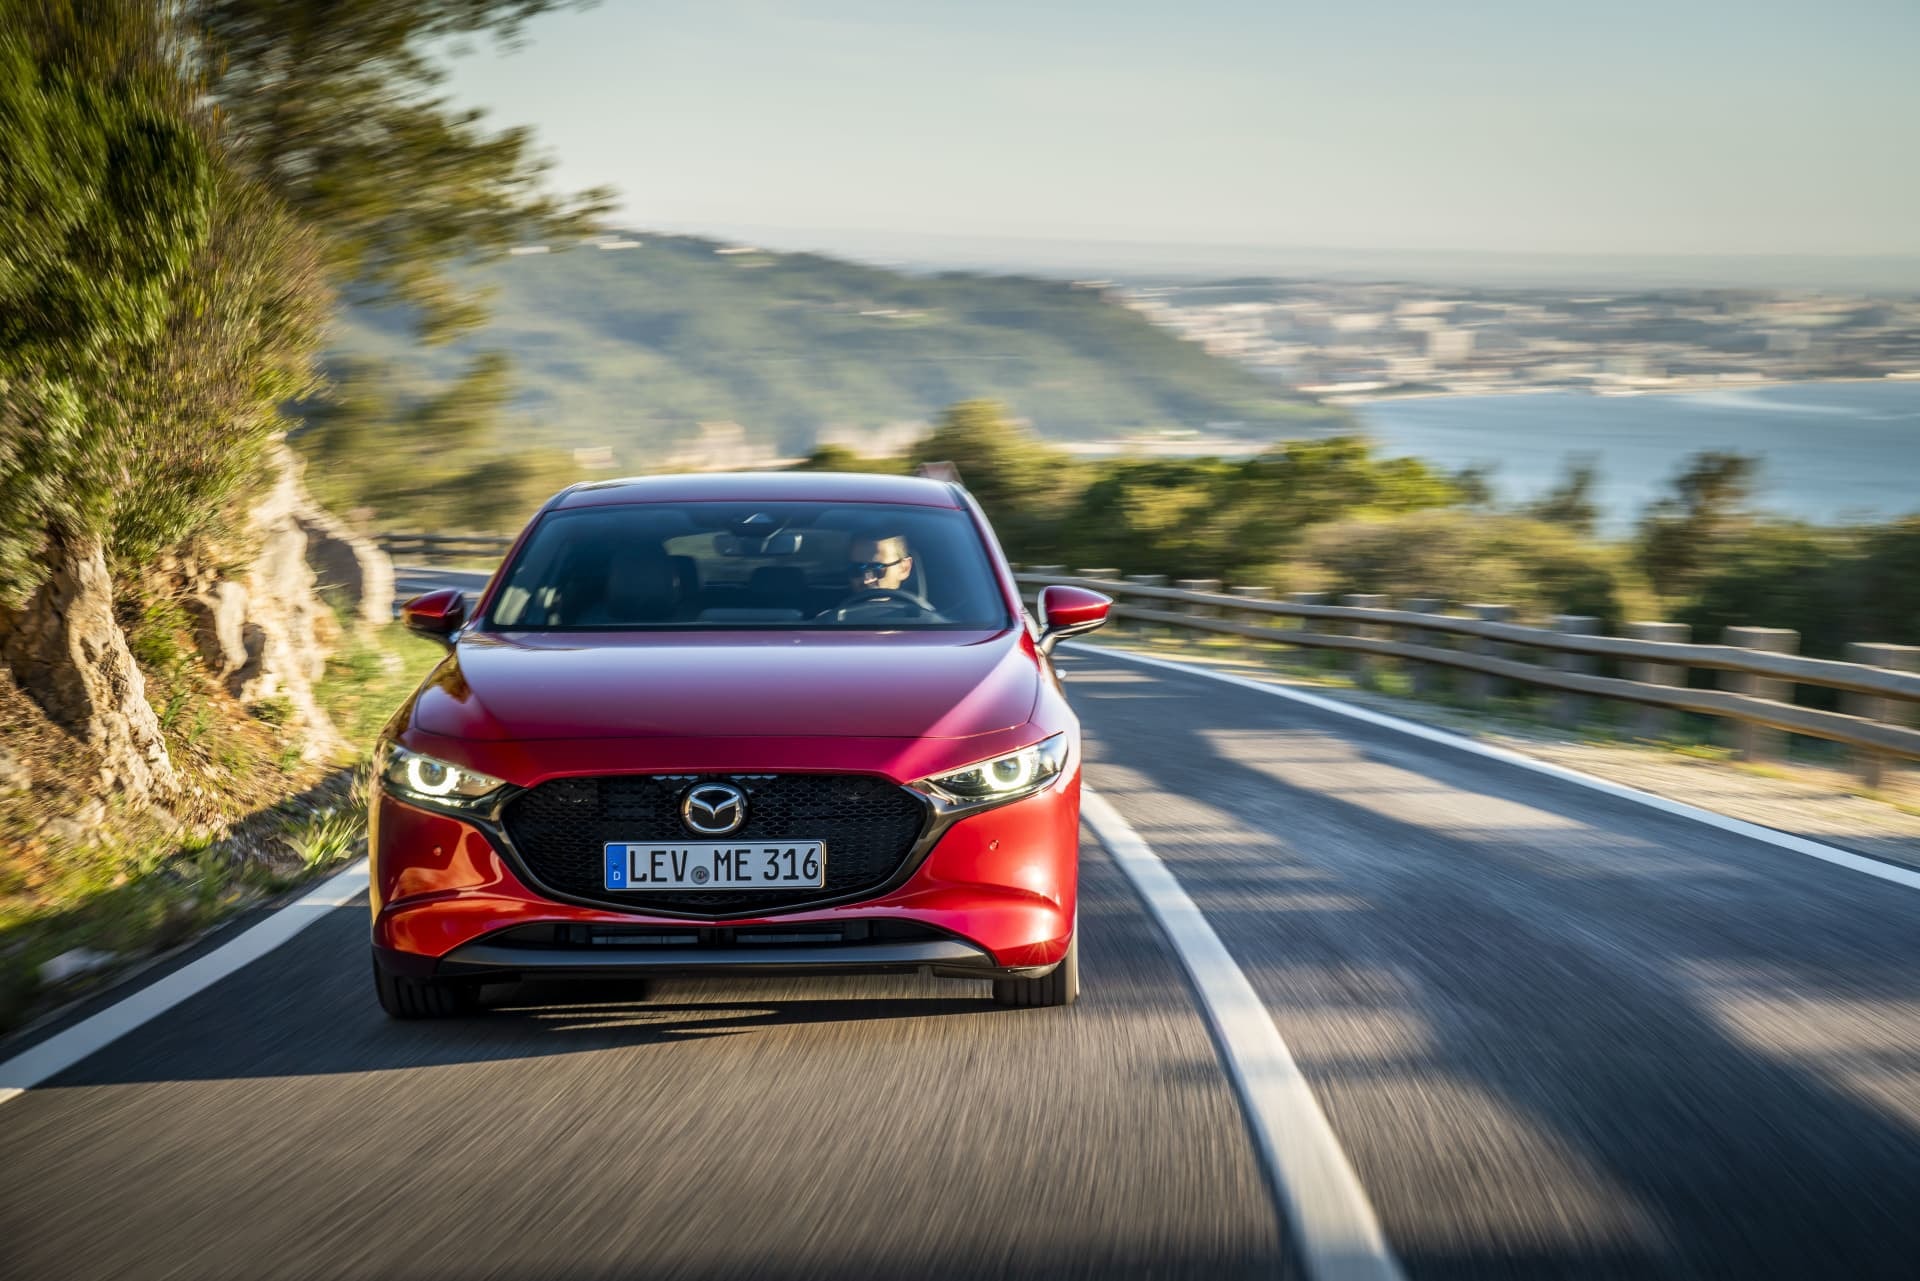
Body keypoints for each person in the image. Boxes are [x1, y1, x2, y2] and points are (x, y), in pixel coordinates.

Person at [845, 532, 913, 594]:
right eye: (856, 569)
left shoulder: (915, 608)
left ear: (904, 568)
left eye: (877, 567)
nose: (866, 580)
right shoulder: (839, 607)